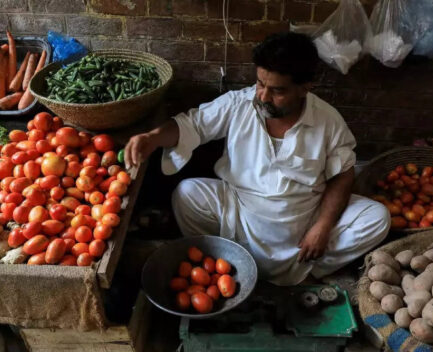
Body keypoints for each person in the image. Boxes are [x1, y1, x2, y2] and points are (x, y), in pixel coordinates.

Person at [125, 32, 390, 286]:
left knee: (377, 218)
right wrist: (152, 137)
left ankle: (309, 270)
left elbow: (343, 174)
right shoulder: (239, 104)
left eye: (277, 90)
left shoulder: (328, 121)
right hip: (240, 212)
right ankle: (224, 262)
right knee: (187, 193)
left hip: (303, 218)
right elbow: (191, 125)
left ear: (305, 87)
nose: (263, 96)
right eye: (260, 83)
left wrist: (322, 226)